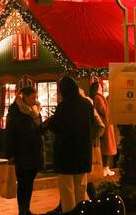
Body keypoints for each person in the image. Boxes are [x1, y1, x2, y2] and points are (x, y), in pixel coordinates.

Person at [44, 76, 95, 213]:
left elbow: (56, 126)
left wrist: (49, 123)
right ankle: (81, 211)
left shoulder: (64, 105)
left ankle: (70, 212)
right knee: (81, 187)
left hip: (66, 153)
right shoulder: (86, 104)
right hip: (83, 151)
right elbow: (93, 125)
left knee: (67, 189)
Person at [6, 86, 44, 215]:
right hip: (21, 153)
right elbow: (10, 133)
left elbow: (39, 129)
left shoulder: (35, 111)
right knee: (23, 184)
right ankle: (22, 210)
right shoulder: (15, 111)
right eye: (32, 98)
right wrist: (10, 154)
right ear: (24, 97)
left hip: (34, 152)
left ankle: (26, 209)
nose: (35, 100)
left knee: (29, 183)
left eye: (36, 98)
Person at [89, 81, 116, 177]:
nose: (101, 87)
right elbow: (105, 111)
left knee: (105, 147)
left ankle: (106, 167)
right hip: (105, 125)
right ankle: (105, 167)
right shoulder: (98, 98)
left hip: (102, 125)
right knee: (107, 147)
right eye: (100, 86)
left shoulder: (94, 97)